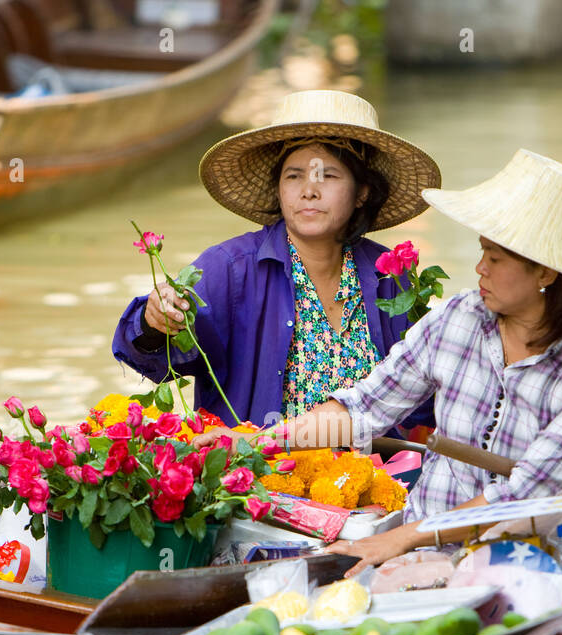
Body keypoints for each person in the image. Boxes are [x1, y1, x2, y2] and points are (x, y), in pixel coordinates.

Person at [197, 149, 562, 571]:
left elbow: (524, 495)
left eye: (495, 258)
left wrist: (402, 537)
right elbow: (364, 408)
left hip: (525, 555)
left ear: (545, 271)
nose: (479, 268)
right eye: (482, 252)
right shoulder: (459, 318)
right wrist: (253, 444)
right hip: (415, 548)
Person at [112, 90, 441, 429]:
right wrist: (154, 322)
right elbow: (155, 360)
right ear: (279, 188)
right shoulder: (229, 268)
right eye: (294, 175)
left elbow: (420, 402)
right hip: (261, 475)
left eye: (327, 176)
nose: (308, 191)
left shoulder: (391, 276)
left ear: (362, 193)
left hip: (378, 475)